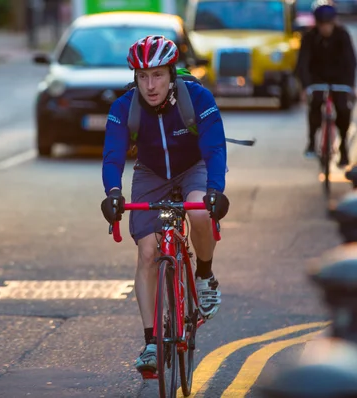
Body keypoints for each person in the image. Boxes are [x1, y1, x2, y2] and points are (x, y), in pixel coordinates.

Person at [100, 35, 230, 373]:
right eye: (142, 77)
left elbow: (215, 147)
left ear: (171, 73)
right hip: (151, 173)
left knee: (199, 209)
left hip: (193, 168)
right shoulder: (123, 108)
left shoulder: (197, 98)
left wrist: (215, 190)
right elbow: (113, 155)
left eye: (157, 74)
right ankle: (151, 342)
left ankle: (204, 276)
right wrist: (113, 192)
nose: (150, 85)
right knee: (147, 252)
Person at [296, 1, 357, 166]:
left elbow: (350, 62)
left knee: (344, 110)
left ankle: (343, 147)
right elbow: (303, 63)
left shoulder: (342, 35)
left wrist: (350, 87)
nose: (325, 29)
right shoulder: (309, 37)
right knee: (315, 105)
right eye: (322, 25)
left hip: (339, 79)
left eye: (328, 24)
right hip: (317, 79)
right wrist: (305, 87)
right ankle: (311, 142)